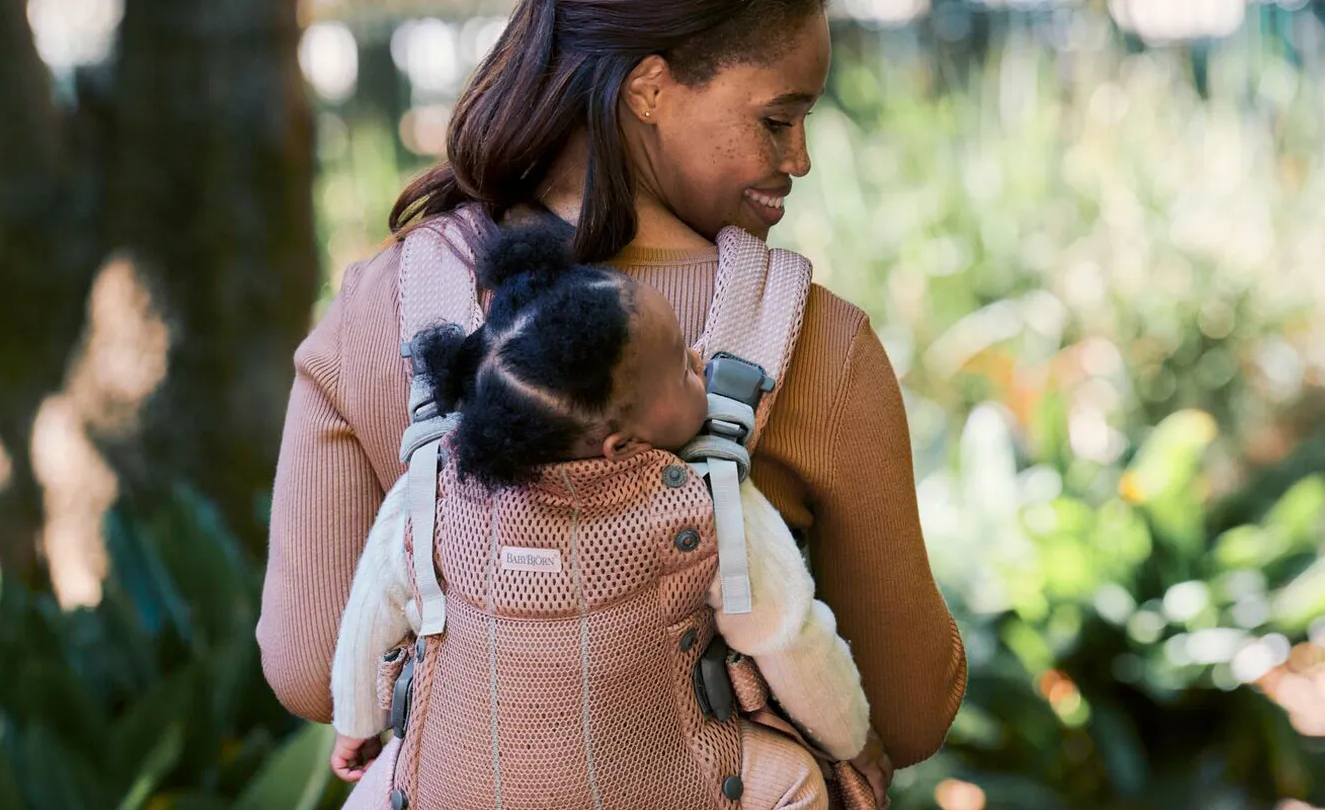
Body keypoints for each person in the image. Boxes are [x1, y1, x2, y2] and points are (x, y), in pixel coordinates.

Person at [258, 0, 966, 802]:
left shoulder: (380, 308)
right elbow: (909, 716)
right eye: (778, 119)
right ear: (649, 88)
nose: (799, 158)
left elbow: (309, 672)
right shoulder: (817, 345)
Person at [326, 225, 871, 806]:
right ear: (622, 446)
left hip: (458, 784)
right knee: (797, 783)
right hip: (663, 781)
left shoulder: (431, 485)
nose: (697, 358)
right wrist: (848, 739)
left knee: (385, 789)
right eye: (684, 372)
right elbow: (791, 636)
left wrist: (357, 721)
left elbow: (372, 610)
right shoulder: (706, 499)